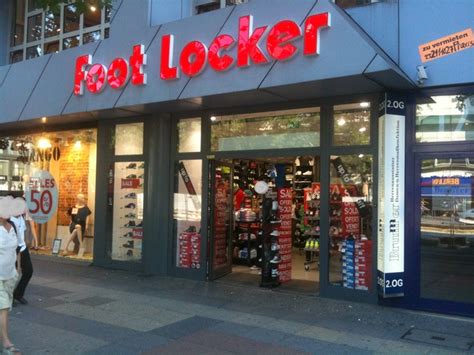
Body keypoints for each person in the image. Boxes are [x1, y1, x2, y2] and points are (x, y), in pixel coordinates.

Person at [0, 196, 25, 354]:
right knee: (3, 308)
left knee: (5, 308)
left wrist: (19, 267)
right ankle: (7, 344)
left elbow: (18, 248)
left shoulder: (13, 226)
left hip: (10, 275)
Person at [10, 198, 33, 305]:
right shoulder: (10, 220)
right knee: (12, 274)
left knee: (28, 271)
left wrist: (27, 241)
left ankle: (18, 294)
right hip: (13, 250)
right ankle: (8, 297)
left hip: (23, 248)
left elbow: (23, 232)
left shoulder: (21, 217)